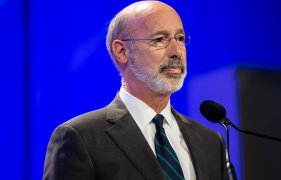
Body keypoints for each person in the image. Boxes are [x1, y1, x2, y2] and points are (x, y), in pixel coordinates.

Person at [43, 1, 227, 180]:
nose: (176, 51)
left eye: (180, 38)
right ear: (122, 51)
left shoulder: (211, 142)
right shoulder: (81, 137)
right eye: (160, 39)